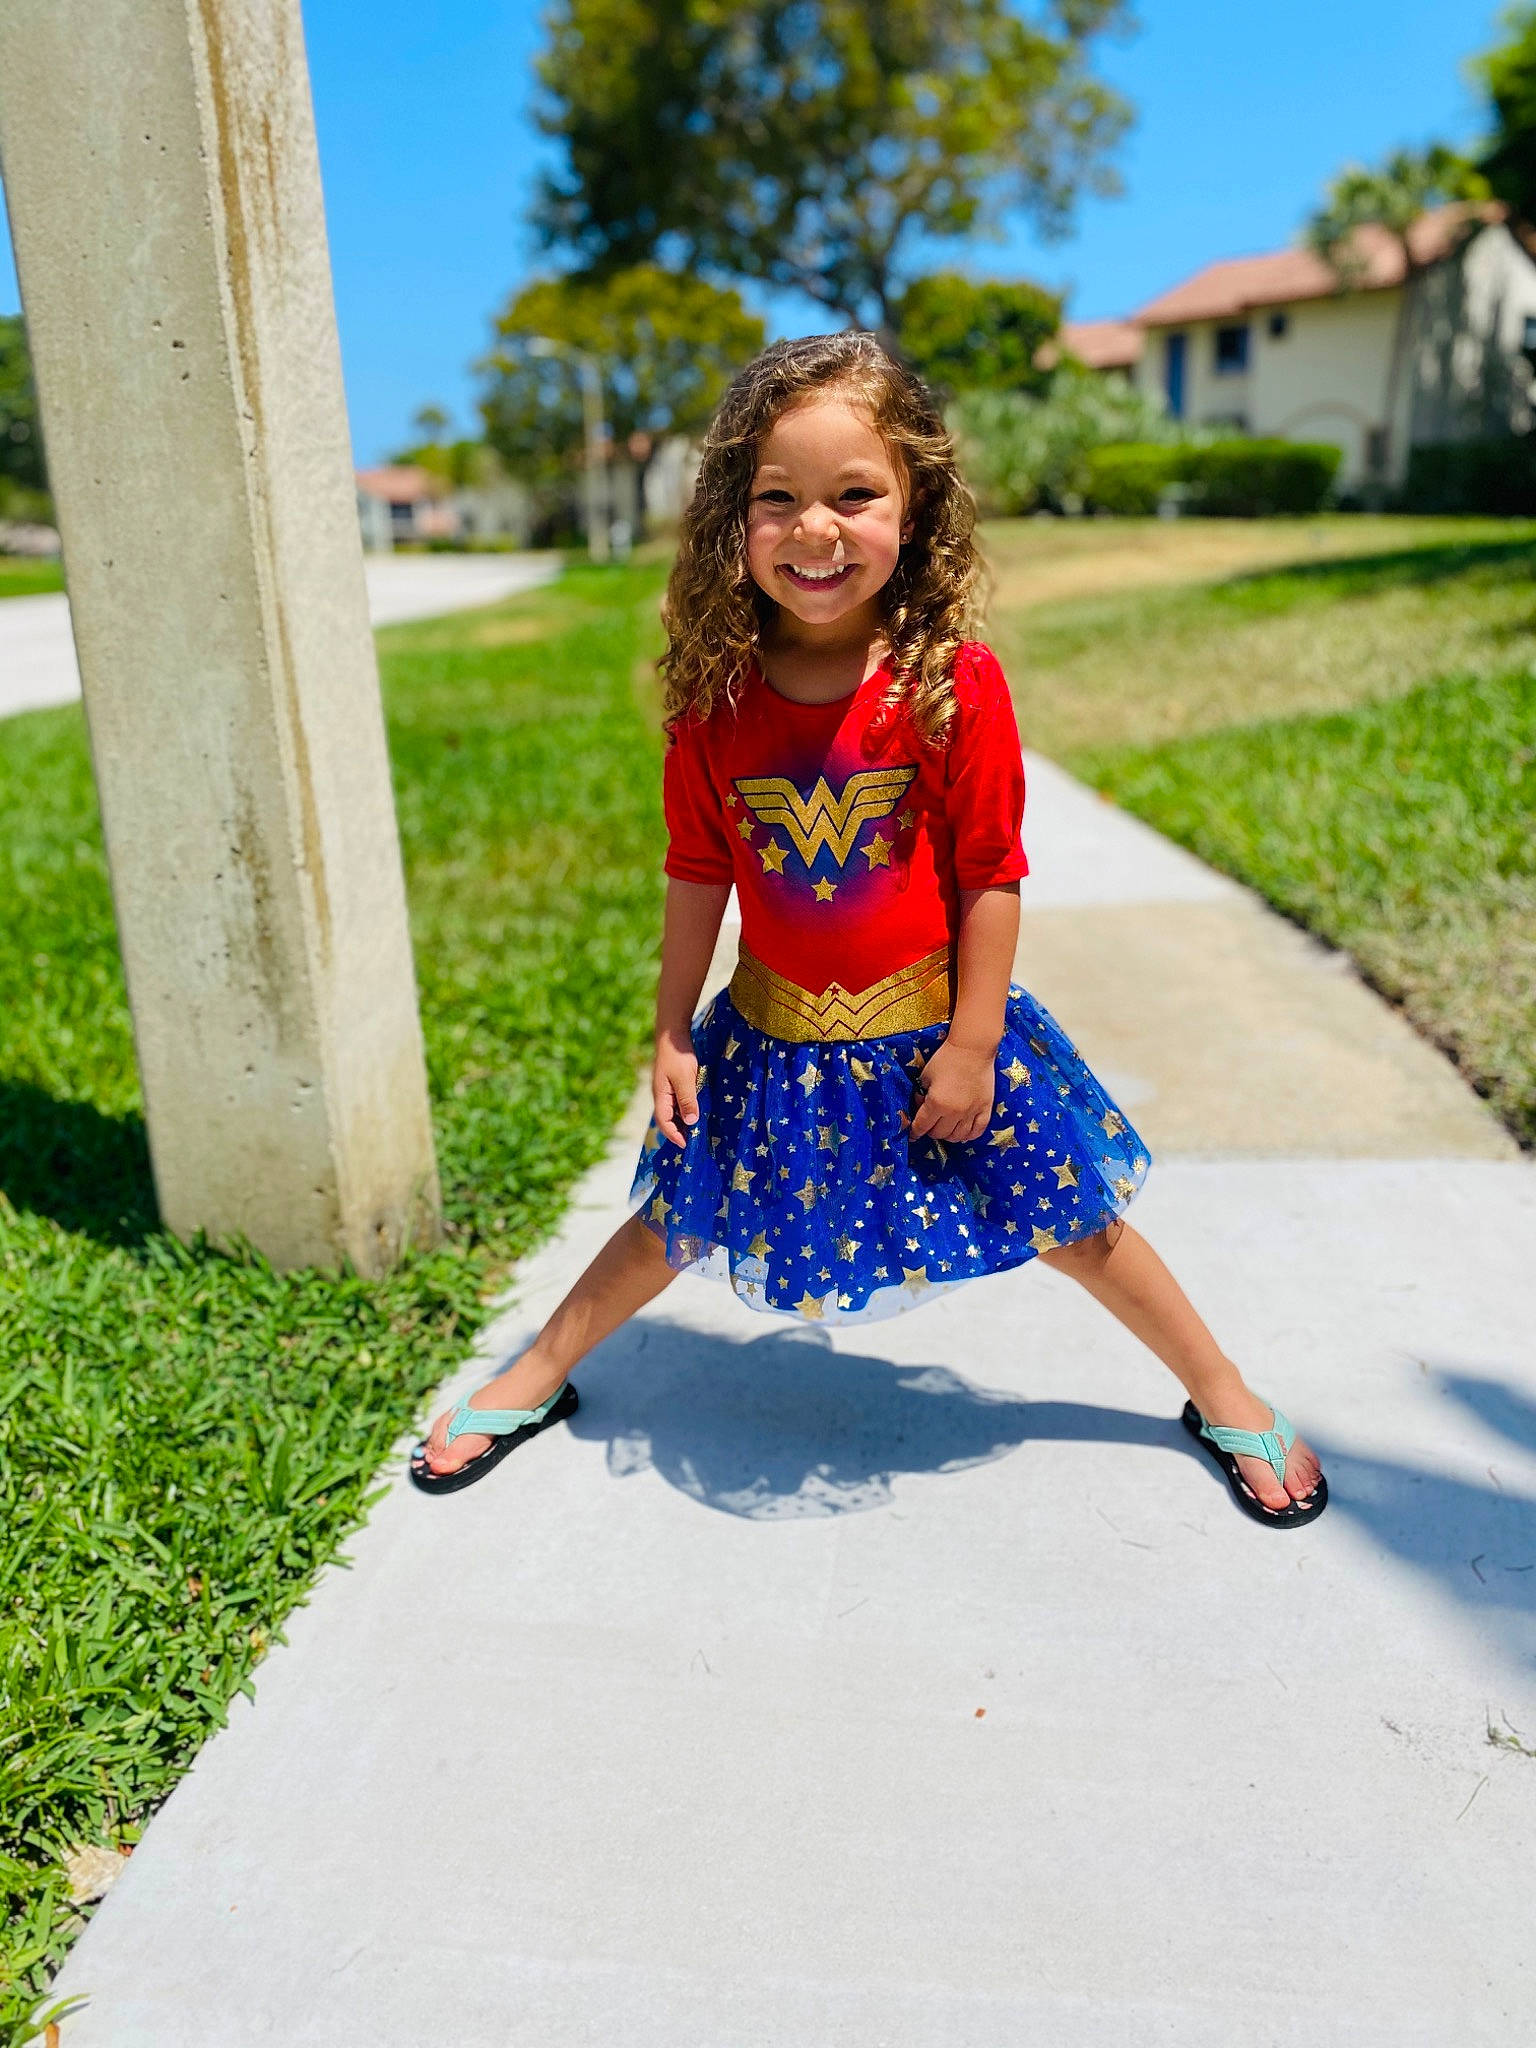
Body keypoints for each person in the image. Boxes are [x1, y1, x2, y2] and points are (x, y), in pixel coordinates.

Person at [411, 333, 1327, 1528]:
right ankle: (536, 1372)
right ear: (732, 521)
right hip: (768, 1035)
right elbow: (698, 868)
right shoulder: (711, 704)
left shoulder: (953, 684)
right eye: (777, 499)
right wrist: (671, 1030)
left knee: (1074, 1221)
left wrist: (975, 1041)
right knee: (676, 1219)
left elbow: (993, 872)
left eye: (856, 494)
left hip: (931, 1033)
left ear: (917, 506)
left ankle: (1223, 1390)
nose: (816, 529)